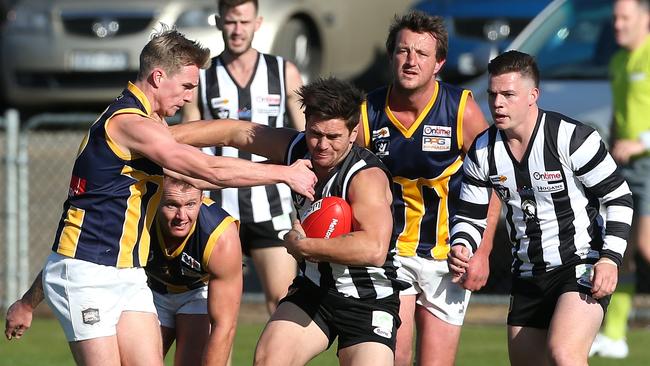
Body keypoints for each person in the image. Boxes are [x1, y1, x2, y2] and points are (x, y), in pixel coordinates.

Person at [7, 28, 316, 366]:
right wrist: (285, 174)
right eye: (185, 86)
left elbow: (230, 133)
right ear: (157, 77)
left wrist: (303, 145)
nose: (188, 97)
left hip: (128, 275)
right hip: (87, 275)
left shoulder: (151, 126)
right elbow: (207, 170)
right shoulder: (129, 124)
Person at [172, 77, 409, 366]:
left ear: (353, 132)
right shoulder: (298, 148)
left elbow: (373, 249)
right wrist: (161, 137)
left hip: (368, 300)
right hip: (314, 290)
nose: (321, 146)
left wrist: (305, 246)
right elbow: (233, 132)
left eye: (333, 137)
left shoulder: (365, 177)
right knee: (270, 359)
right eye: (314, 134)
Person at [448, 50, 633, 365]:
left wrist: (610, 259)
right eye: (493, 94)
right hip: (528, 274)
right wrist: (462, 245)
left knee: (564, 353)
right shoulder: (482, 150)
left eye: (509, 94)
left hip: (580, 265)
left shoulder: (571, 138)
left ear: (533, 95)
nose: (497, 103)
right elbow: (470, 215)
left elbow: (619, 196)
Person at [355, 11, 500, 366]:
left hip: (448, 256)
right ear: (391, 56)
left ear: (439, 63)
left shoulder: (460, 109)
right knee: (394, 356)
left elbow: (496, 181)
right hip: (391, 254)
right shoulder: (368, 112)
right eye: (403, 51)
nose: (411, 61)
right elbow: (346, 180)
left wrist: (482, 251)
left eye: (421, 54)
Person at [5, 176, 242, 366]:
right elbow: (74, 257)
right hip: (149, 291)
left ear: (202, 198)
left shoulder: (220, 236)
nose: (182, 216)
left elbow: (224, 326)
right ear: (157, 198)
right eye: (172, 205)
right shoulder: (132, 217)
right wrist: (27, 304)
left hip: (195, 294)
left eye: (191, 205)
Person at [182, 0, 304, 315]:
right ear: (219, 21)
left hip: (272, 206)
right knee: (213, 310)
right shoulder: (202, 78)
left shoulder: (283, 71)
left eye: (244, 22)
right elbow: (187, 142)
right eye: (231, 21)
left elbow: (307, 138)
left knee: (282, 302)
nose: (238, 30)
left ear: (258, 23)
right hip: (216, 208)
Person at [590, 0, 650, 358]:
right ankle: (614, 336)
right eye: (614, 17)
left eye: (624, 17)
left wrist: (641, 142)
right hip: (627, 169)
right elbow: (621, 117)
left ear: (645, 19)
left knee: (644, 245)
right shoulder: (617, 61)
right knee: (621, 252)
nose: (617, 24)